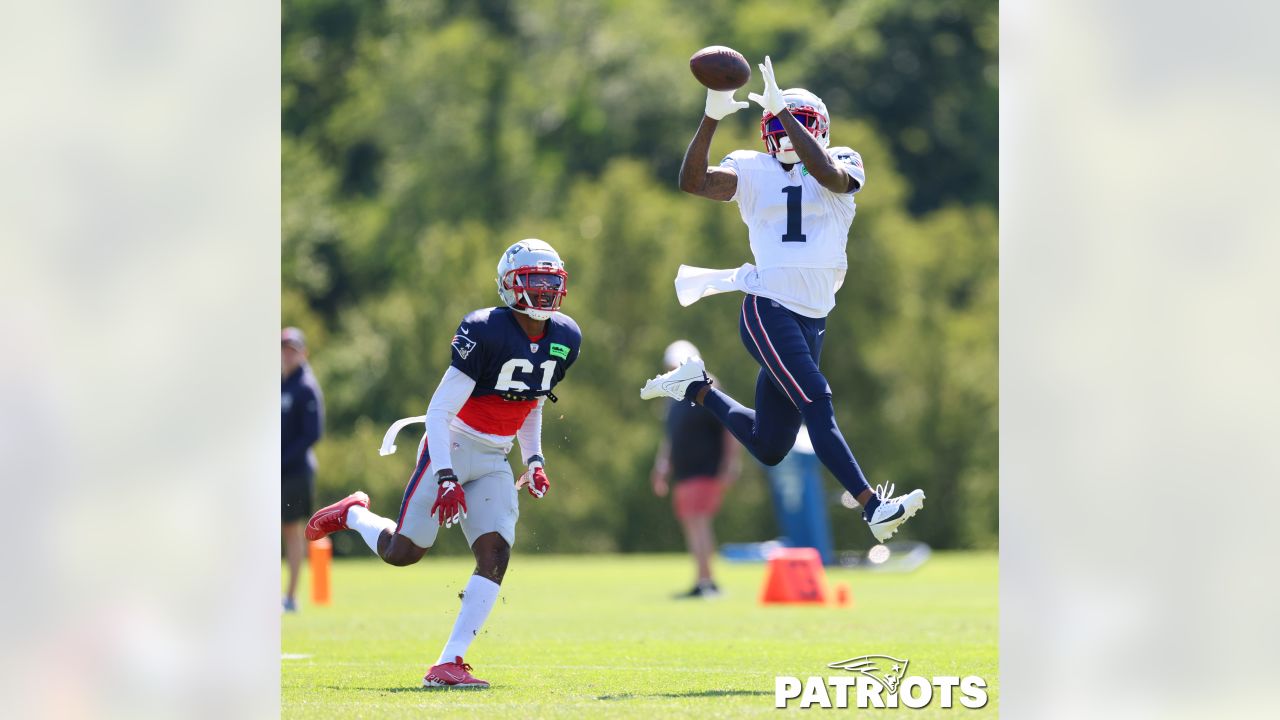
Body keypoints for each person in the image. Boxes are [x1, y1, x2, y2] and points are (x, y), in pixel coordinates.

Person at [641, 56, 925, 542]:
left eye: (801, 126)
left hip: (814, 316)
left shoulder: (844, 164)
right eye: (780, 125)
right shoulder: (752, 170)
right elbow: (693, 182)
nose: (790, 137)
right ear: (765, 133)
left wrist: (784, 113)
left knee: (771, 444)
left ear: (821, 130)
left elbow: (827, 174)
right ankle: (872, 506)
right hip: (768, 306)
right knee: (818, 403)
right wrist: (712, 111)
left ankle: (696, 388)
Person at [305, 239, 581, 689]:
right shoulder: (485, 330)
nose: (548, 290)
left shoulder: (566, 337)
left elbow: (532, 401)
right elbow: (438, 412)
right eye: (537, 280)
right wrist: (446, 475)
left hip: (494, 457)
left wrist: (533, 459)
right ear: (511, 286)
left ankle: (449, 662)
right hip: (450, 445)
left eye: (553, 280)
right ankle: (354, 513)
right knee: (404, 553)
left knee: (495, 554)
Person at [650, 340, 741, 598]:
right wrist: (662, 466)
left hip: (705, 469)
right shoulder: (675, 394)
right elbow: (671, 436)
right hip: (685, 472)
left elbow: (729, 428)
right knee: (692, 524)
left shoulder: (708, 389)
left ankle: (707, 582)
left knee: (699, 523)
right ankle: (703, 579)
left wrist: (730, 464)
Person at [281, 327, 324, 612]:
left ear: (303, 353)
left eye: (292, 349)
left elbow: (312, 434)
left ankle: (291, 596)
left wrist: (280, 460)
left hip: (295, 472)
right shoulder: (279, 384)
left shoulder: (306, 386)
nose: (287, 354)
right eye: (284, 349)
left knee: (292, 530)